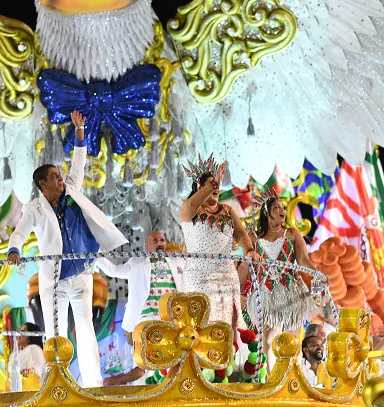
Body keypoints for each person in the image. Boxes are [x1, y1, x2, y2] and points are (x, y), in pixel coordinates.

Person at [7, 110, 128, 388]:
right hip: (54, 282)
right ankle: (55, 384)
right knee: (54, 333)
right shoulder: (35, 208)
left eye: (60, 175)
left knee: (86, 330)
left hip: (82, 275)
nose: (61, 179)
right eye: (54, 176)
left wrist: (80, 133)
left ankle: (94, 385)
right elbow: (20, 232)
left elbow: (79, 164)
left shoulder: (71, 191)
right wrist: (14, 249)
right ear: (42, 184)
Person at [179, 154, 259, 333]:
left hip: (226, 275)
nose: (217, 187)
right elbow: (193, 204)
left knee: (227, 329)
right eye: (211, 184)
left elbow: (241, 235)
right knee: (201, 327)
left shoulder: (228, 210)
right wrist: (212, 183)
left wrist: (249, 251)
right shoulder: (189, 209)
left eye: (217, 185)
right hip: (199, 277)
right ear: (200, 187)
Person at [240, 191, 318, 371]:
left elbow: (303, 260)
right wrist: (237, 291)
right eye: (277, 207)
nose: (282, 210)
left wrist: (317, 274)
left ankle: (292, 375)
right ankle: (268, 377)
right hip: (264, 293)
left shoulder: (292, 234)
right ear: (267, 212)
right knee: (266, 339)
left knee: (292, 338)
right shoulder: (254, 238)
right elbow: (244, 267)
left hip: (291, 292)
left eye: (283, 207)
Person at [94, 231, 184, 386]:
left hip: (172, 320)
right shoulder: (137, 263)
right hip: (146, 320)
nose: (160, 243)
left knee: (175, 362)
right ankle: (122, 384)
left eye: (162, 240)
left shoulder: (177, 262)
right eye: (155, 240)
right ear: (147, 245)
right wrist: (95, 252)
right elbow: (113, 271)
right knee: (144, 363)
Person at [8, 323, 46, 391]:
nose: (19, 334)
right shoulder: (17, 353)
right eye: (19, 331)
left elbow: (40, 366)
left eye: (22, 331)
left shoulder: (34, 348)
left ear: (30, 335)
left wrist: (31, 370)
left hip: (30, 390)